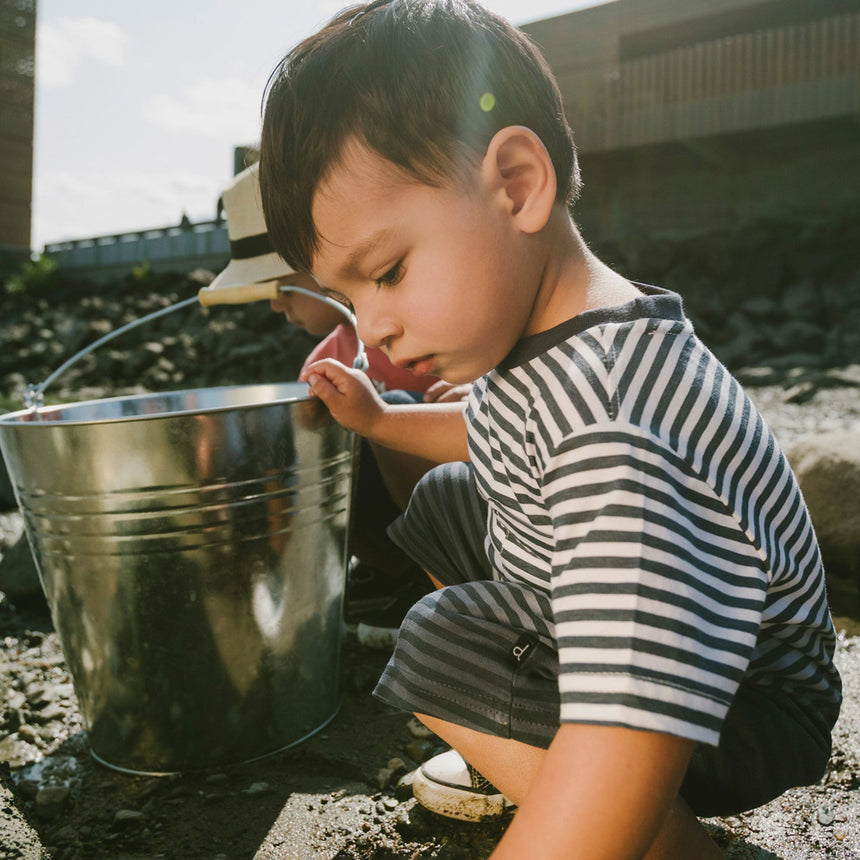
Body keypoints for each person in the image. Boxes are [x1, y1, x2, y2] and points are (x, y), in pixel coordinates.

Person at [257, 1, 842, 857]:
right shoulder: (546, 343)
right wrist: (381, 418)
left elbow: (634, 716)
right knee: (451, 502)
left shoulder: (612, 424)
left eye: (386, 272)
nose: (371, 326)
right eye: (350, 297)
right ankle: (529, 751)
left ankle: (668, 843)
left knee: (440, 643)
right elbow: (492, 441)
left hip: (734, 700)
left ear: (518, 185)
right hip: (664, 640)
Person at [203, 161, 465, 629]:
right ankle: (392, 575)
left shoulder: (419, 324)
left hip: (467, 516)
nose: (276, 304)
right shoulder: (326, 363)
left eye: (282, 286)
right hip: (387, 535)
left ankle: (437, 578)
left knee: (397, 411)